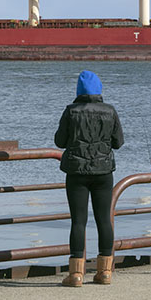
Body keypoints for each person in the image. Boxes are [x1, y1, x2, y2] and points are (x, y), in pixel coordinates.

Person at [55, 69, 124, 287]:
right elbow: (118, 142)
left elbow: (59, 141)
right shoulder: (110, 111)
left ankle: (76, 275)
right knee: (104, 219)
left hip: (77, 173)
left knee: (78, 221)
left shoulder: (71, 111)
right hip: (104, 173)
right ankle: (105, 271)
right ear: (99, 89)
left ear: (79, 90)